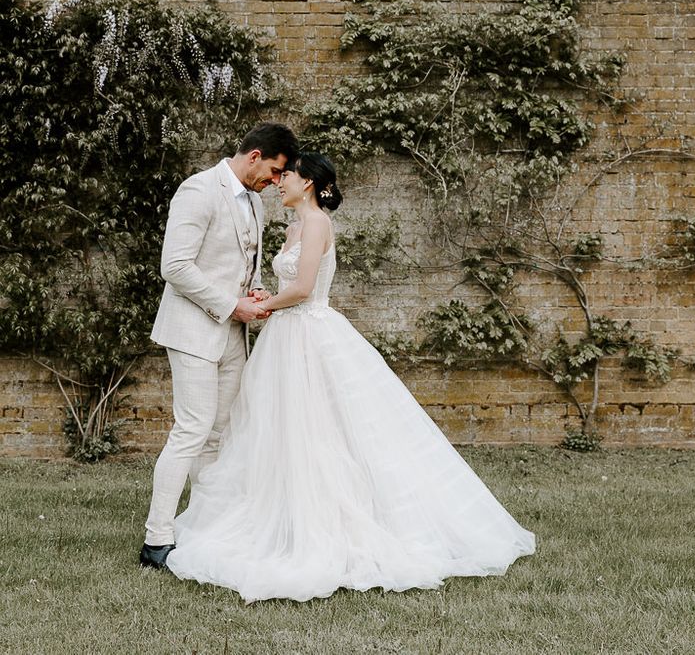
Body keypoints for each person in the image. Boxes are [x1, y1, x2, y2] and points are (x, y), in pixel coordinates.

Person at [165, 151, 535, 600]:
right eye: (279, 175)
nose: (279, 183)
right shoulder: (294, 226)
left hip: (309, 336)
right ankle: (280, 514)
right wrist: (266, 293)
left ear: (310, 184)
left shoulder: (317, 223)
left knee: (321, 431)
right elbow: (290, 284)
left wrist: (261, 306)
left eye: (288, 177)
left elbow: (302, 290)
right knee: (281, 431)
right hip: (286, 337)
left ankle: (328, 522)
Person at [140, 123, 299, 570]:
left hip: (233, 335)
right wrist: (231, 305)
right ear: (254, 156)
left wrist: (256, 293)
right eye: (272, 171)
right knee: (191, 430)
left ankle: (205, 526)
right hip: (192, 331)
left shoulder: (254, 203)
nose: (273, 182)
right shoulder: (197, 190)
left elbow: (243, 267)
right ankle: (156, 539)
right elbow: (175, 265)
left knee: (220, 435)